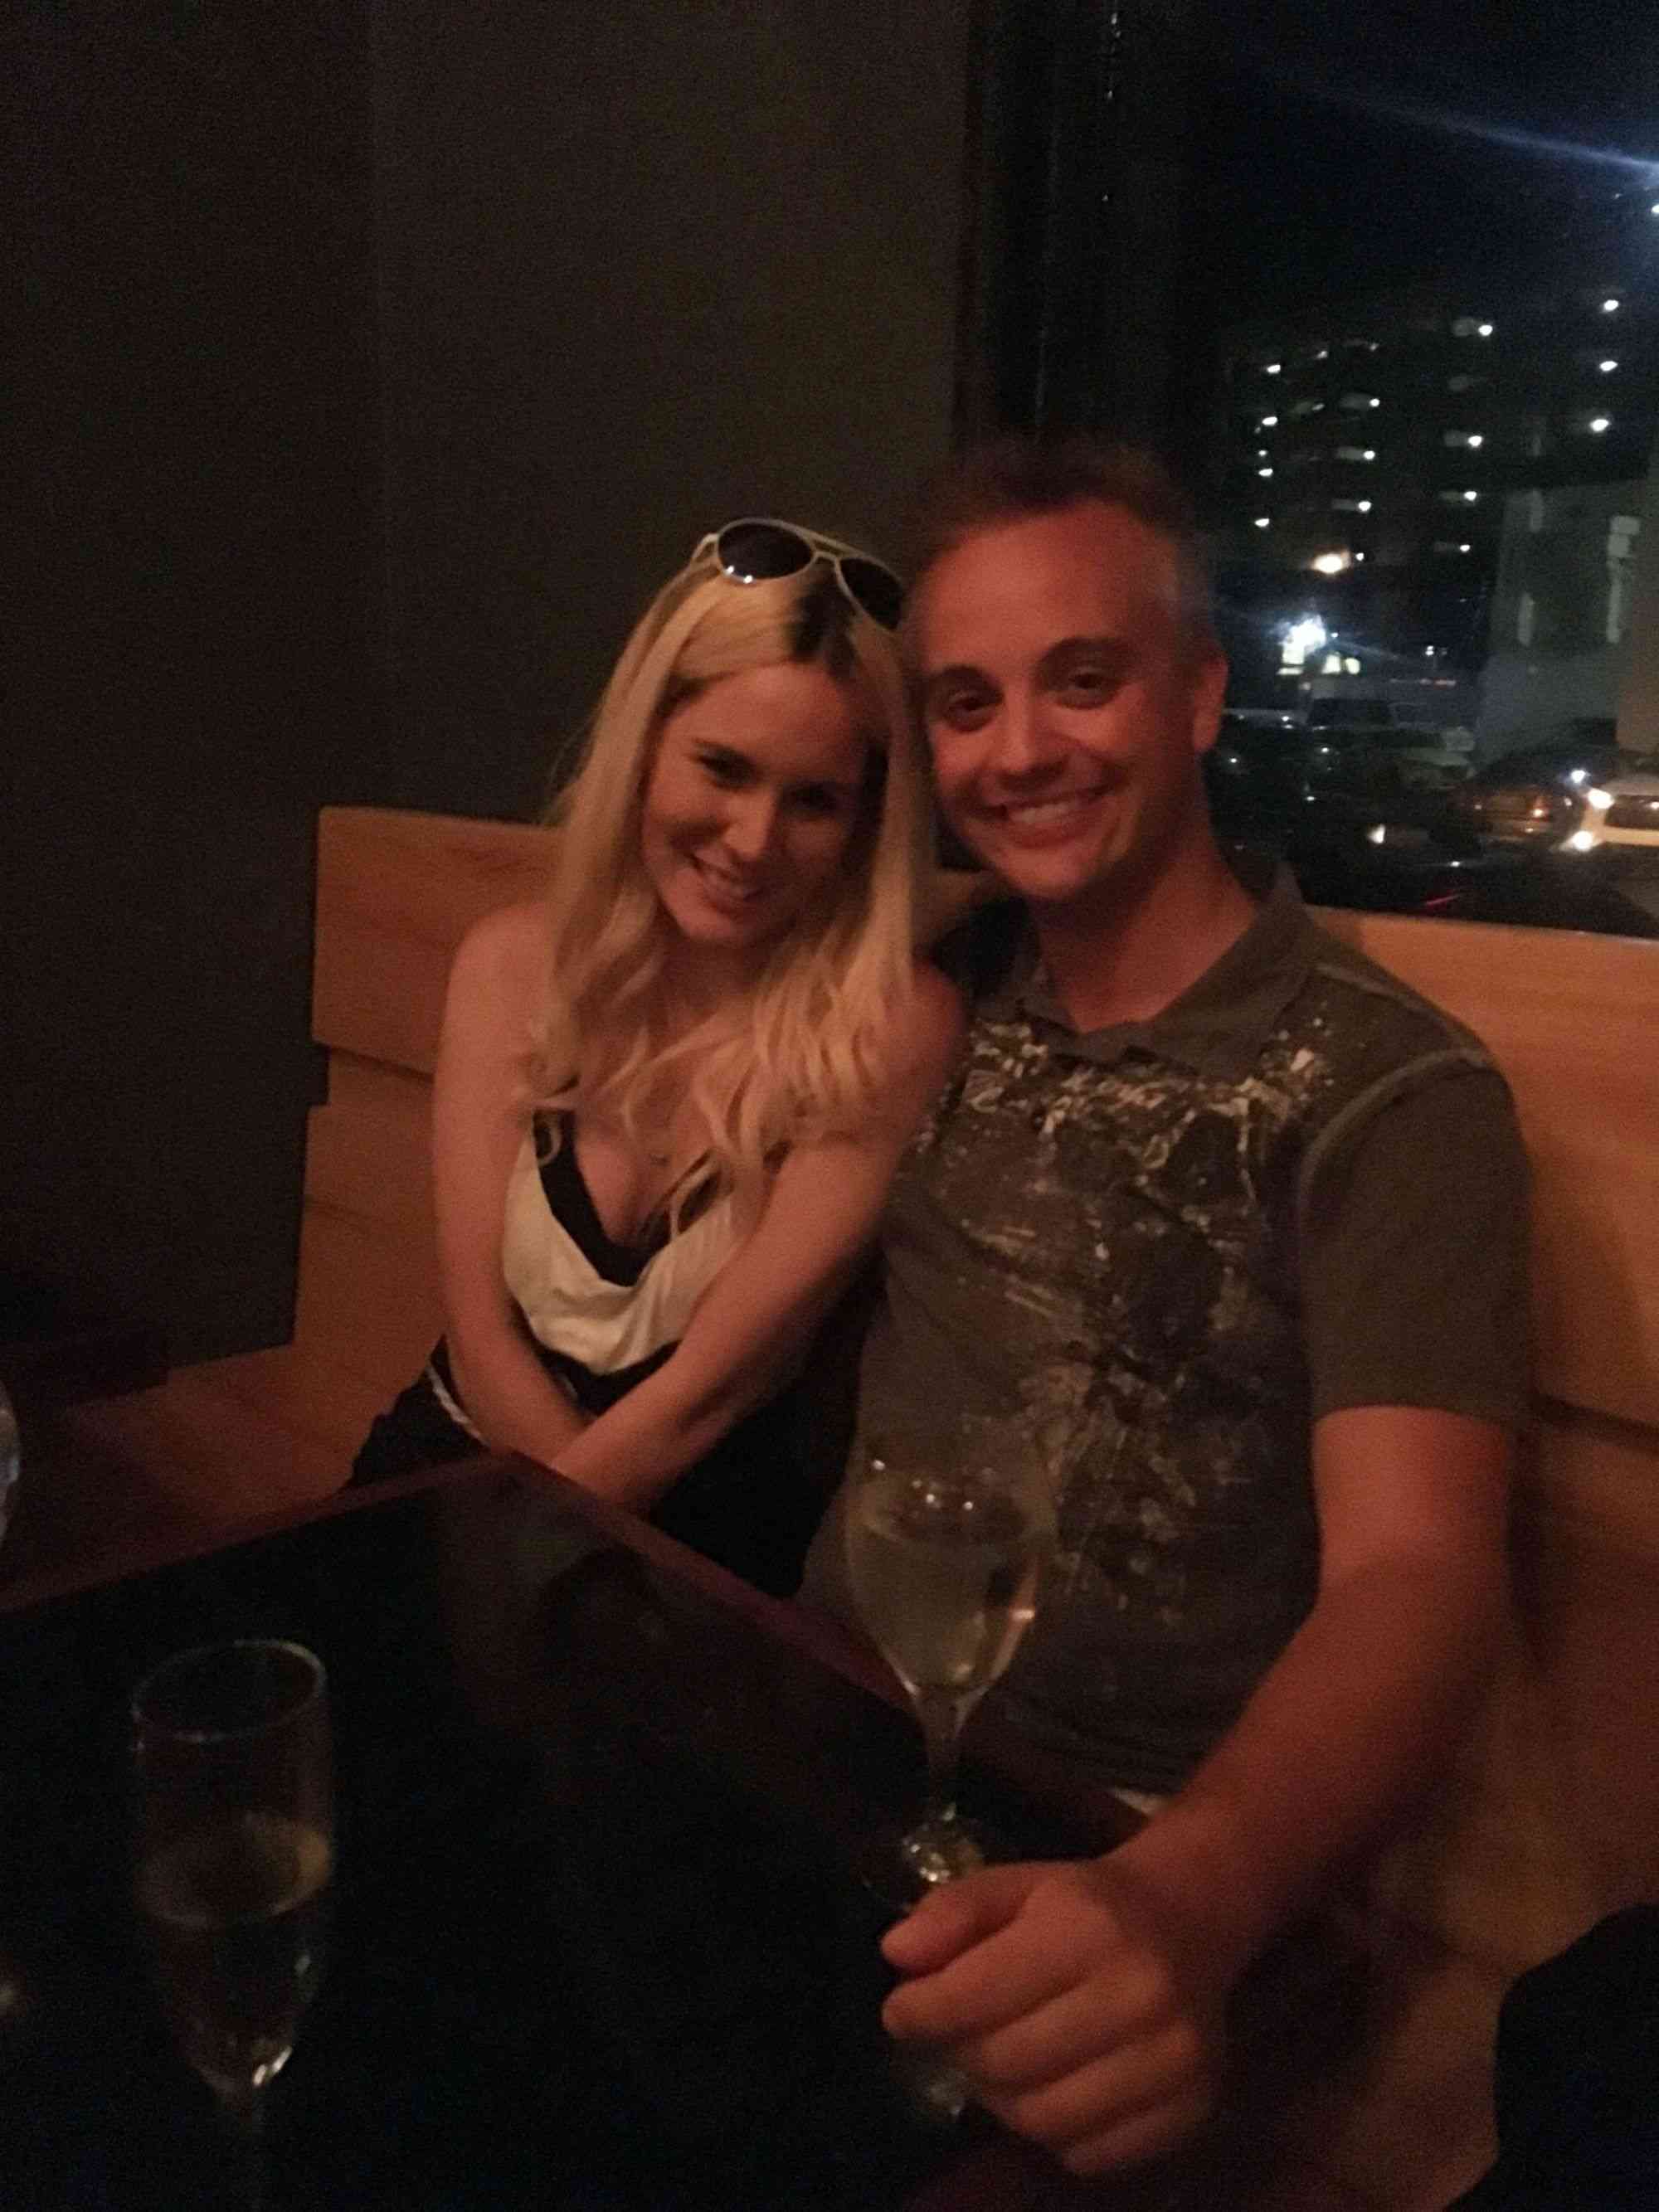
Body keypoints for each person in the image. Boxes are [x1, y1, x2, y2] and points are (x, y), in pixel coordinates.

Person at [798, 440, 1528, 2172]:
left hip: (1117, 1841)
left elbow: (1418, 1576)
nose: (1019, 751)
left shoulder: (1388, 1091)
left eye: (1083, 679)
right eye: (966, 703)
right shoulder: (938, 995)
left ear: (1199, 693)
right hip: (820, 1742)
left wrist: (1187, 1896)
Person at [354, 518, 962, 1597]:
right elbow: (481, 1336)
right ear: (643, 746)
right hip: (453, 1470)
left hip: (689, 1549)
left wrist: (528, 1567)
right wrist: (500, 1559)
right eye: (722, 769)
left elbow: (708, 1399)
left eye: (814, 800)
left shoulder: (890, 1026)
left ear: (867, 822)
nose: (753, 841)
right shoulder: (509, 965)